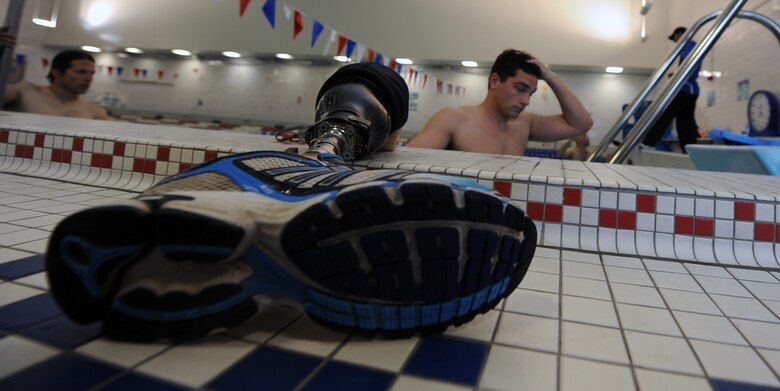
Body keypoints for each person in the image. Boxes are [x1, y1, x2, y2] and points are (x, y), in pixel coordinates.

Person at [45, 62, 538, 342]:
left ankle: (182, 212)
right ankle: (228, 209)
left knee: (268, 169)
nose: (526, 98)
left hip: (259, 170)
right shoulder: (442, 124)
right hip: (291, 171)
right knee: (303, 167)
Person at [406, 49, 593, 155]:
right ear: (495, 81)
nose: (526, 101)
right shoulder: (454, 119)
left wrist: (550, 77)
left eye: (531, 93)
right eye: (520, 89)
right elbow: (406, 164)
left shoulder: (525, 124)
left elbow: (582, 124)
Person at [2, 49, 110, 120]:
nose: (89, 79)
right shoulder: (25, 92)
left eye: (92, 73)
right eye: (81, 72)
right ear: (57, 72)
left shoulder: (95, 110)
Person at [641, 26, 701, 153]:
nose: (675, 42)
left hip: (686, 88)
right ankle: (689, 149)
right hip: (690, 90)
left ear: (680, 34)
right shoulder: (691, 46)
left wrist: (677, 75)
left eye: (675, 38)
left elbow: (688, 64)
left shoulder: (690, 44)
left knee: (665, 113)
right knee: (685, 121)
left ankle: (649, 142)